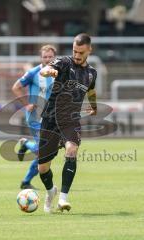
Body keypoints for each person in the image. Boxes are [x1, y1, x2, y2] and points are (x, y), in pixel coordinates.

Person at [38, 33, 97, 213]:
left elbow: (91, 91)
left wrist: (93, 106)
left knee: (72, 149)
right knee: (42, 168)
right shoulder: (64, 62)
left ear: (89, 50)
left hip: (70, 120)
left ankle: (63, 198)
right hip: (50, 118)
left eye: (80, 52)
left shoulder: (92, 73)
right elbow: (45, 70)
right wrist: (50, 71)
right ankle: (51, 191)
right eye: (74, 51)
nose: (77, 55)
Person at [12, 44, 57, 189]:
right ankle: (25, 144)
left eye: (50, 56)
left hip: (51, 118)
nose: (48, 59)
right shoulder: (34, 72)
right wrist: (26, 104)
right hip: (35, 117)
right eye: (45, 57)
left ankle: (26, 182)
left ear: (54, 57)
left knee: (44, 153)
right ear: (41, 58)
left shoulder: (58, 72)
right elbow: (16, 87)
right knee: (43, 150)